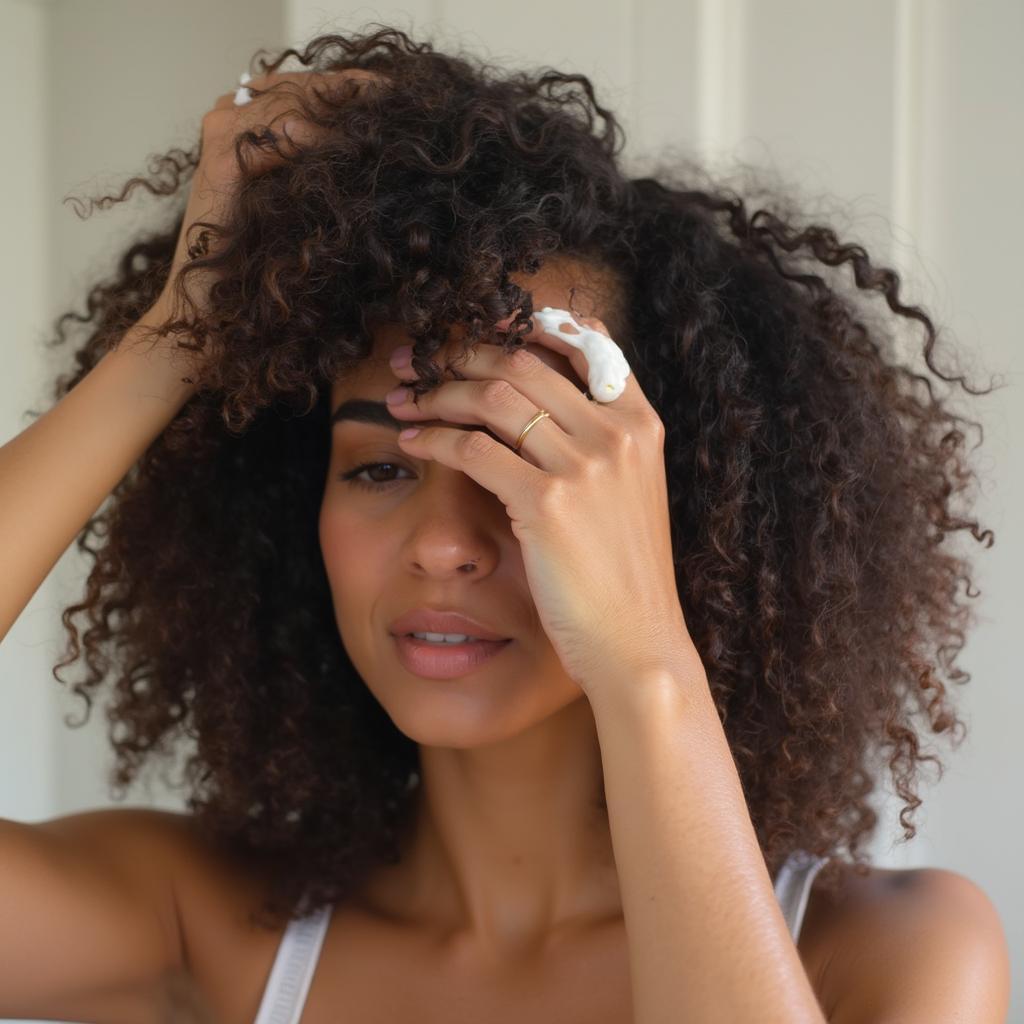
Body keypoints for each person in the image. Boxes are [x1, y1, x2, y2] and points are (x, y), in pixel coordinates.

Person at [0, 24, 1010, 1024]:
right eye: (383, 466)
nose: (442, 542)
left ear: (681, 525)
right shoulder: (203, 928)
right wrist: (184, 333)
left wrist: (646, 661)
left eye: (526, 466)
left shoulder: (886, 952)